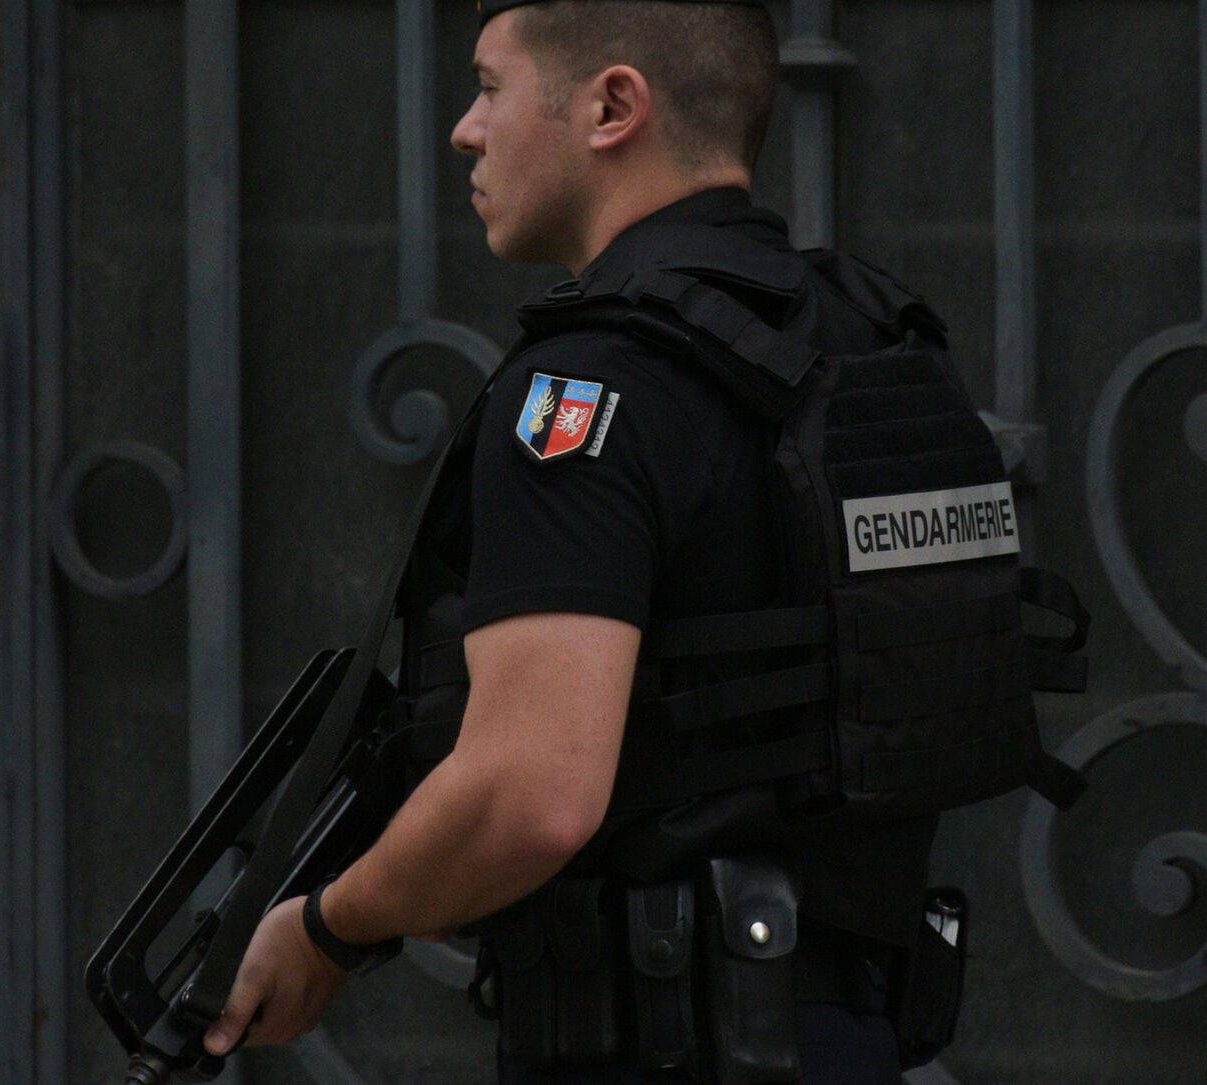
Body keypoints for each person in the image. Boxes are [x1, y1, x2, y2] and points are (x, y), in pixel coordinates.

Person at [201, 1, 976, 1081]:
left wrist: (330, 923)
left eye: (490, 86)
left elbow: (531, 796)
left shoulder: (588, 384)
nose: (466, 130)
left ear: (613, 107)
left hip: (656, 1042)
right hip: (854, 1032)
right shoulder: (874, 344)